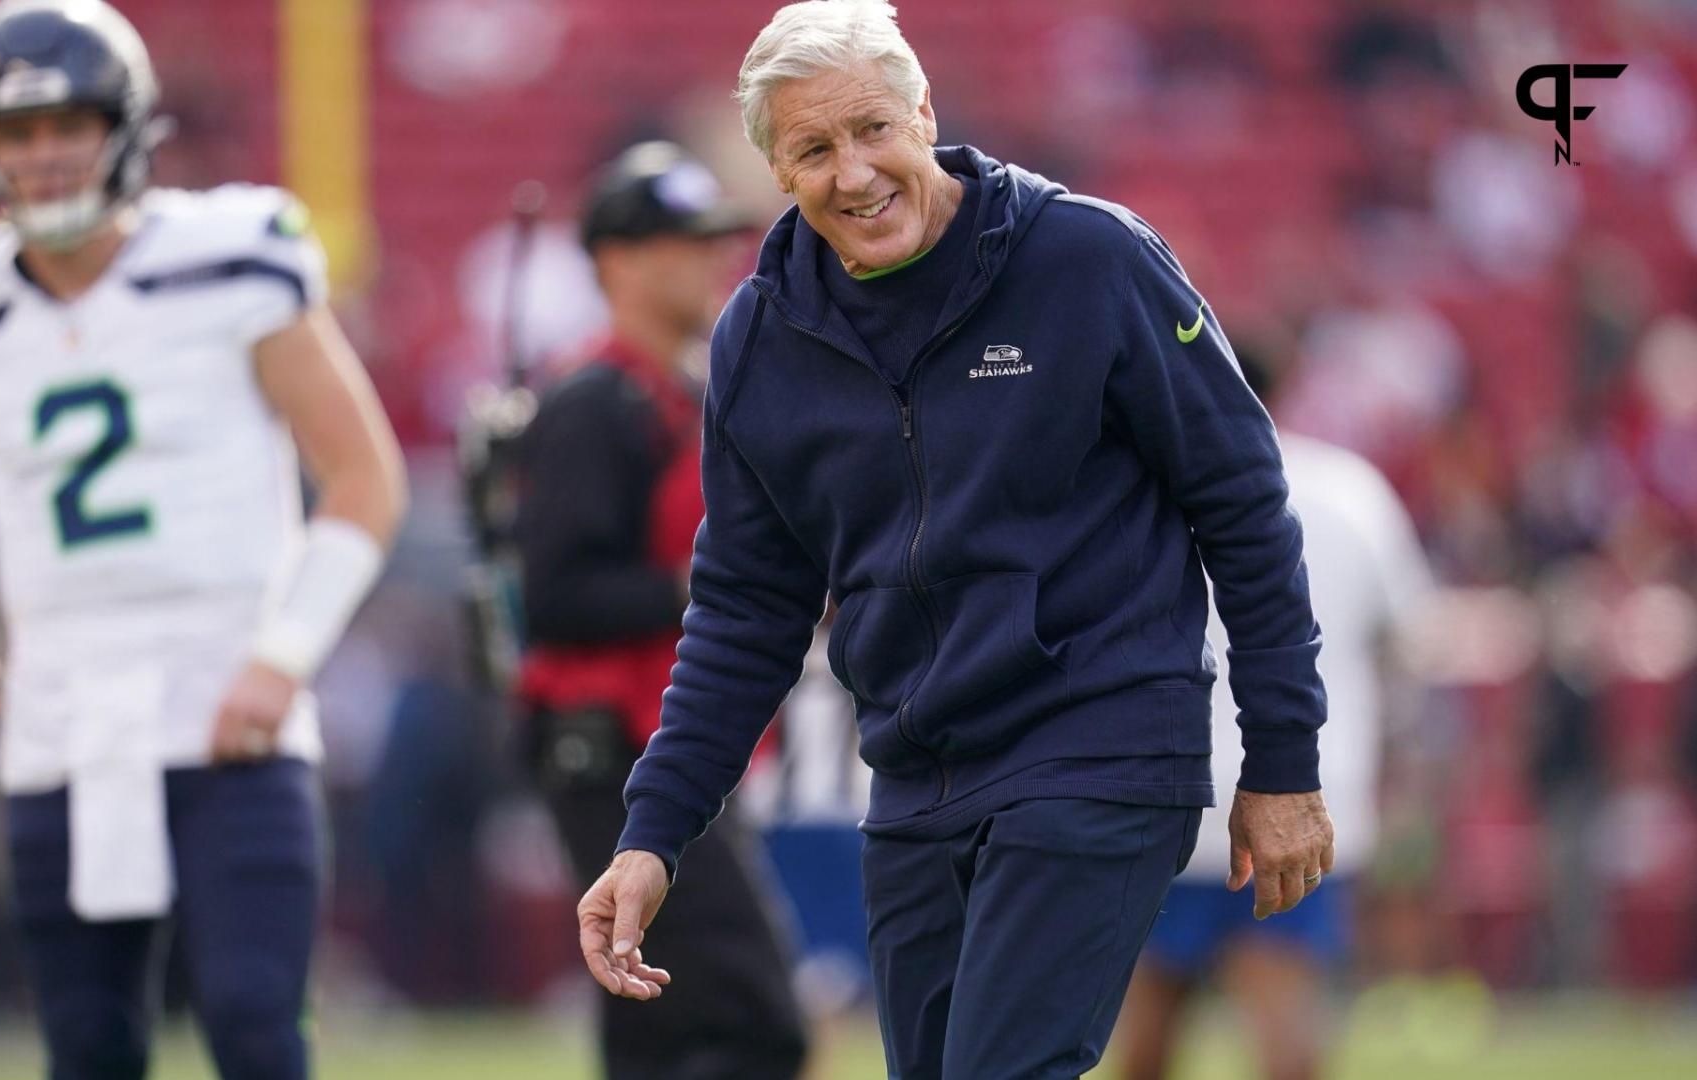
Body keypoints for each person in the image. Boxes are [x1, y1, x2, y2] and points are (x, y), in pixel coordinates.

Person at [574, 3, 1335, 1078]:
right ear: (774, 173)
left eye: (873, 129)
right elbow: (745, 610)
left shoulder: (1091, 258)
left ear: (924, 112)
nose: (854, 171)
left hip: (1101, 743)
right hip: (916, 775)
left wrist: (1286, 761)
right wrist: (654, 833)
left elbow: (1245, 505)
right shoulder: (757, 338)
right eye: (814, 149)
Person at [0, 3, 407, 1077]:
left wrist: (280, 657)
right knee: (89, 1048)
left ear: (127, 126)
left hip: (228, 712)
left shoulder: (234, 260)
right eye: (17, 133)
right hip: (61, 720)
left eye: (68, 121)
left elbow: (363, 479)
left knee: (256, 1030)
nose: (45, 153)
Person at [513, 140, 809, 1080]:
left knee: (655, 1020)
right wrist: (710, 589)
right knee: (754, 1021)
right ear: (616, 262)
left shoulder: (679, 391)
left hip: (656, 741)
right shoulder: (595, 402)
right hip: (614, 745)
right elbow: (556, 596)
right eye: (679, 242)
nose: (709, 261)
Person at [1114, 354, 1431, 1080]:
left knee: (1144, 1039)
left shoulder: (1139, 481)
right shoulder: (1350, 491)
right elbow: (1406, 649)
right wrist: (1403, 781)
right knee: (1287, 1035)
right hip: (1303, 793)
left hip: (1164, 790)